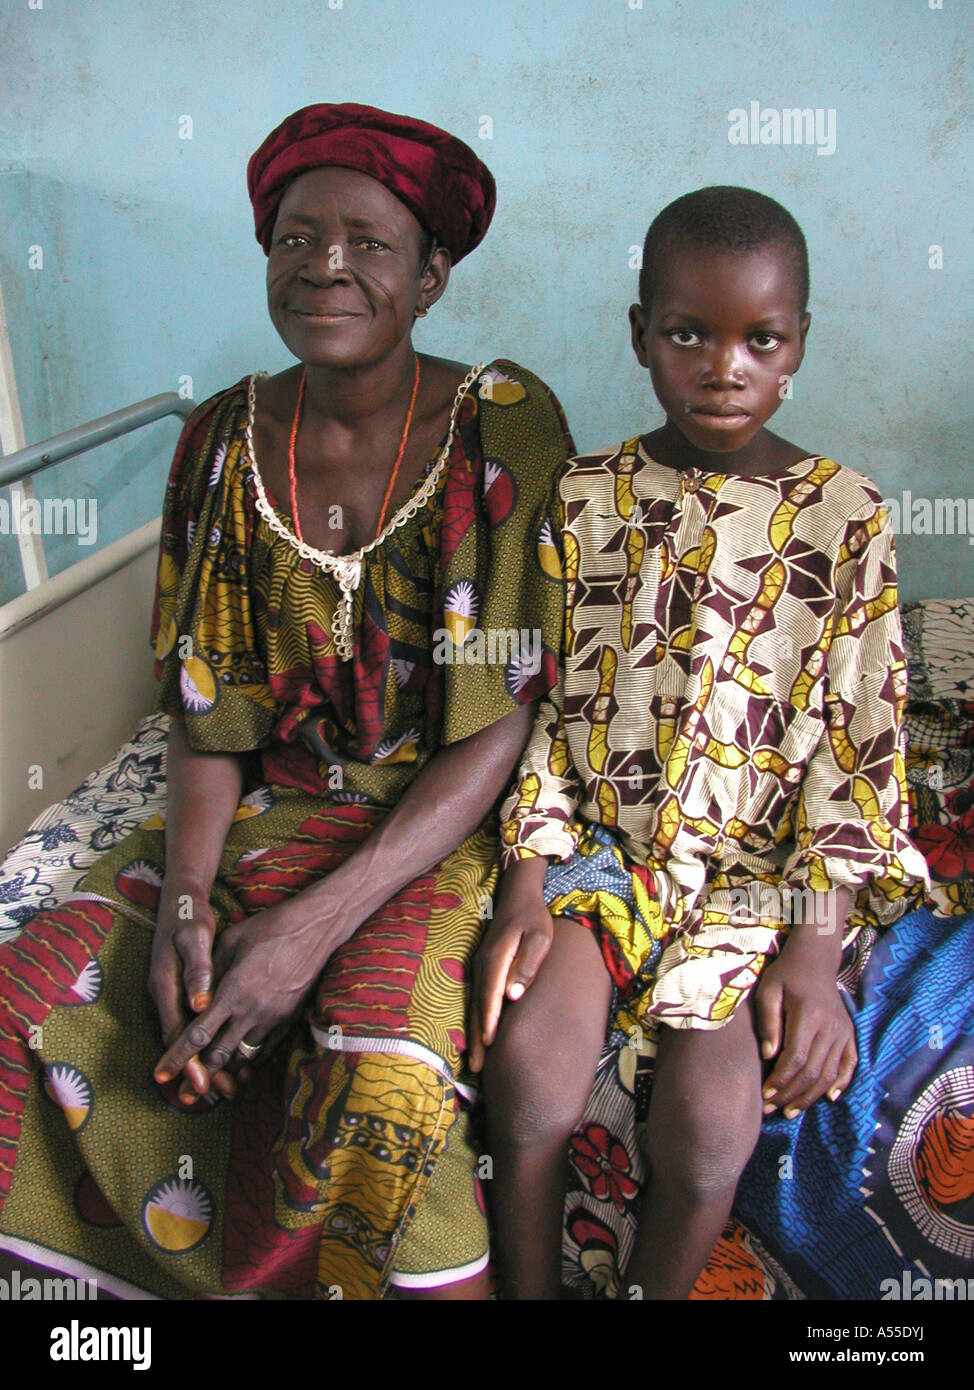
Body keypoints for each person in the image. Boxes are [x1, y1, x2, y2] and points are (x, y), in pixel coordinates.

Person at [0, 103, 573, 1300]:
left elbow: (504, 717)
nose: (325, 266)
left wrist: (310, 930)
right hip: (270, 808)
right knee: (33, 992)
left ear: (431, 277)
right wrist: (187, 906)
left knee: (378, 1060)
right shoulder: (220, 440)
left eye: (368, 243)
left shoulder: (504, 426)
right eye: (296, 239)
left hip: (434, 826)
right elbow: (204, 713)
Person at [469, 186, 930, 1300]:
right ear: (640, 336)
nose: (724, 367)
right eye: (687, 334)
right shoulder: (586, 498)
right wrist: (526, 884)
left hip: (758, 881)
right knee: (528, 1079)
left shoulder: (845, 516)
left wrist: (812, 954)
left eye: (759, 339)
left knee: (710, 1124)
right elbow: (547, 713)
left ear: (798, 343)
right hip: (606, 855)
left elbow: (858, 751)